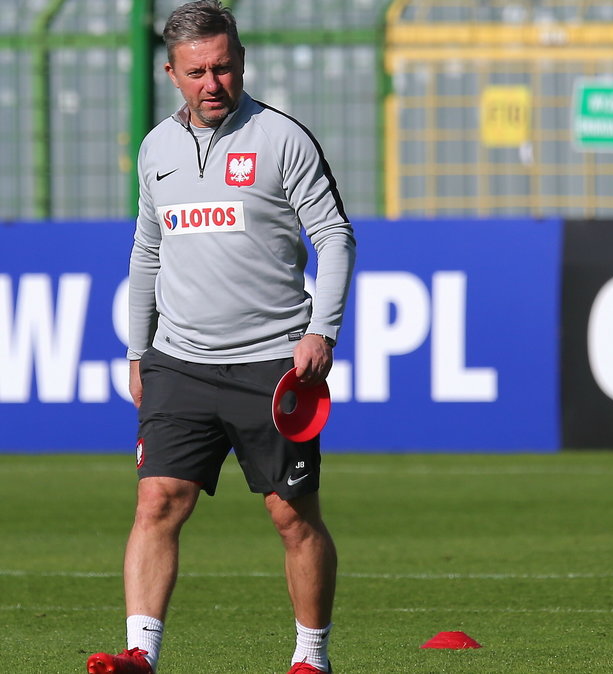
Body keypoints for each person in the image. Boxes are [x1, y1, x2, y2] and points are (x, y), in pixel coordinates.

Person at [87, 2, 354, 673]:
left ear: (241, 64)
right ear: (172, 72)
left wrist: (322, 329)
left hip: (272, 364)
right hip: (180, 362)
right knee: (157, 501)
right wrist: (137, 350)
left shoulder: (282, 138)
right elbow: (146, 252)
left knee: (293, 517)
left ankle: (310, 657)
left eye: (225, 67)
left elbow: (334, 237)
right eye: (198, 70)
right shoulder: (155, 149)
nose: (213, 82)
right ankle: (140, 655)